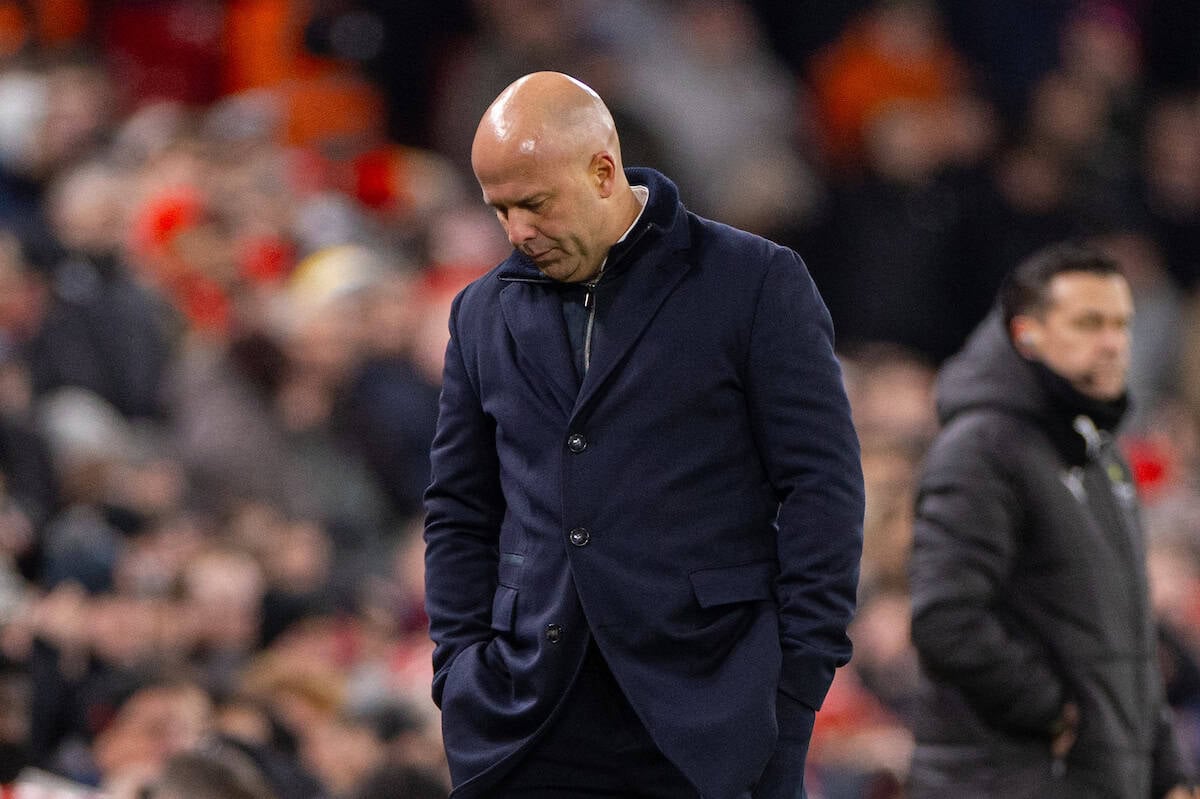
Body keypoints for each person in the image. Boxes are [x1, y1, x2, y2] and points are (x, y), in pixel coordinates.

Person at [423, 72, 864, 799]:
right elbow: (459, 509)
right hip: (530, 718)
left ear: (602, 171)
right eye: (498, 210)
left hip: (713, 716)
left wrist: (796, 682)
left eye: (533, 204)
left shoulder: (754, 281)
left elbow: (823, 487)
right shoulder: (480, 313)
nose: (516, 232)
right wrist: (460, 667)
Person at [907, 242, 1197, 798]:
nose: (1113, 343)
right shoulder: (981, 448)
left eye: (1121, 324)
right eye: (1089, 323)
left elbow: (1128, 634)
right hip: (1008, 779)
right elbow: (947, 618)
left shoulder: (1100, 454)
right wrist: (1053, 710)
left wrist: (1166, 771)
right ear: (1026, 335)